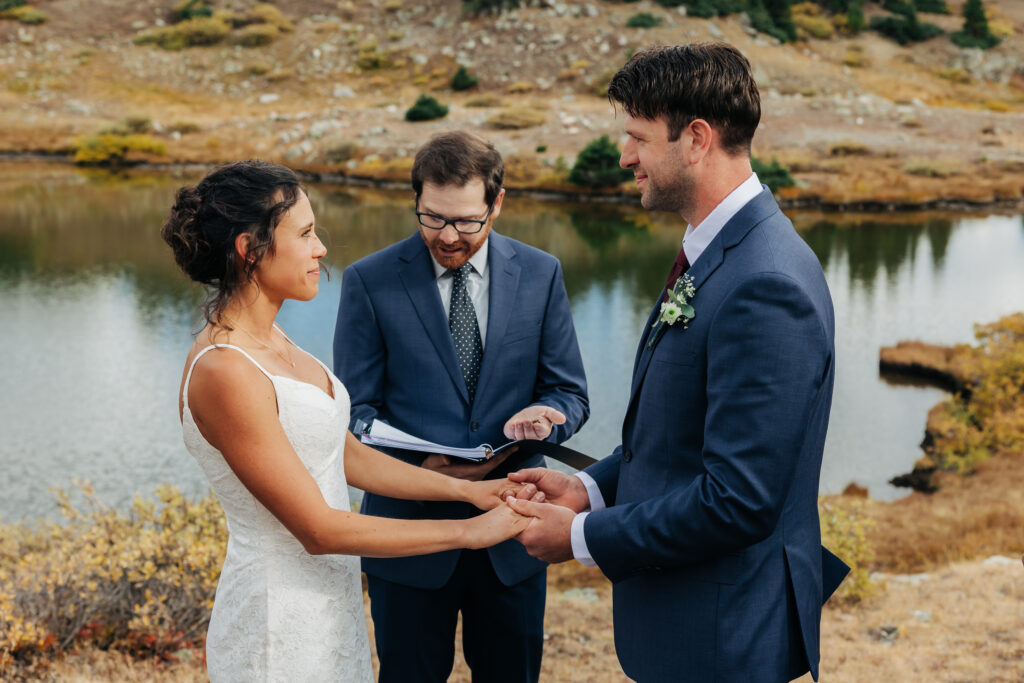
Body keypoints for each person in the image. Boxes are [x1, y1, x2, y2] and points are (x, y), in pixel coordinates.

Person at [506, 43, 849, 682]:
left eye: (637, 136)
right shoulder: (720, 252)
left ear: (695, 139)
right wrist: (590, 488)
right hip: (695, 626)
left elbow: (739, 499)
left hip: (724, 637)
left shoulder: (765, 281)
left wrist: (579, 539)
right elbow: (678, 438)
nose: (624, 155)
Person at [161, 160, 532, 682]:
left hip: (329, 603)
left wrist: (471, 493)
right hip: (278, 618)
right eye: (306, 233)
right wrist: (471, 532)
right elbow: (318, 528)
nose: (321, 249)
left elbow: (346, 455)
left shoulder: (275, 340)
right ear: (250, 248)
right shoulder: (225, 369)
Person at [334, 131, 589, 683]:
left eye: (467, 222)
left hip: (514, 530)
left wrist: (549, 414)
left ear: (496, 204)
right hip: (405, 537)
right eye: (433, 218)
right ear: (416, 202)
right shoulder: (369, 281)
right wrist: (419, 466)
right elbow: (352, 414)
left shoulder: (541, 274)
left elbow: (570, 392)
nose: (448, 236)